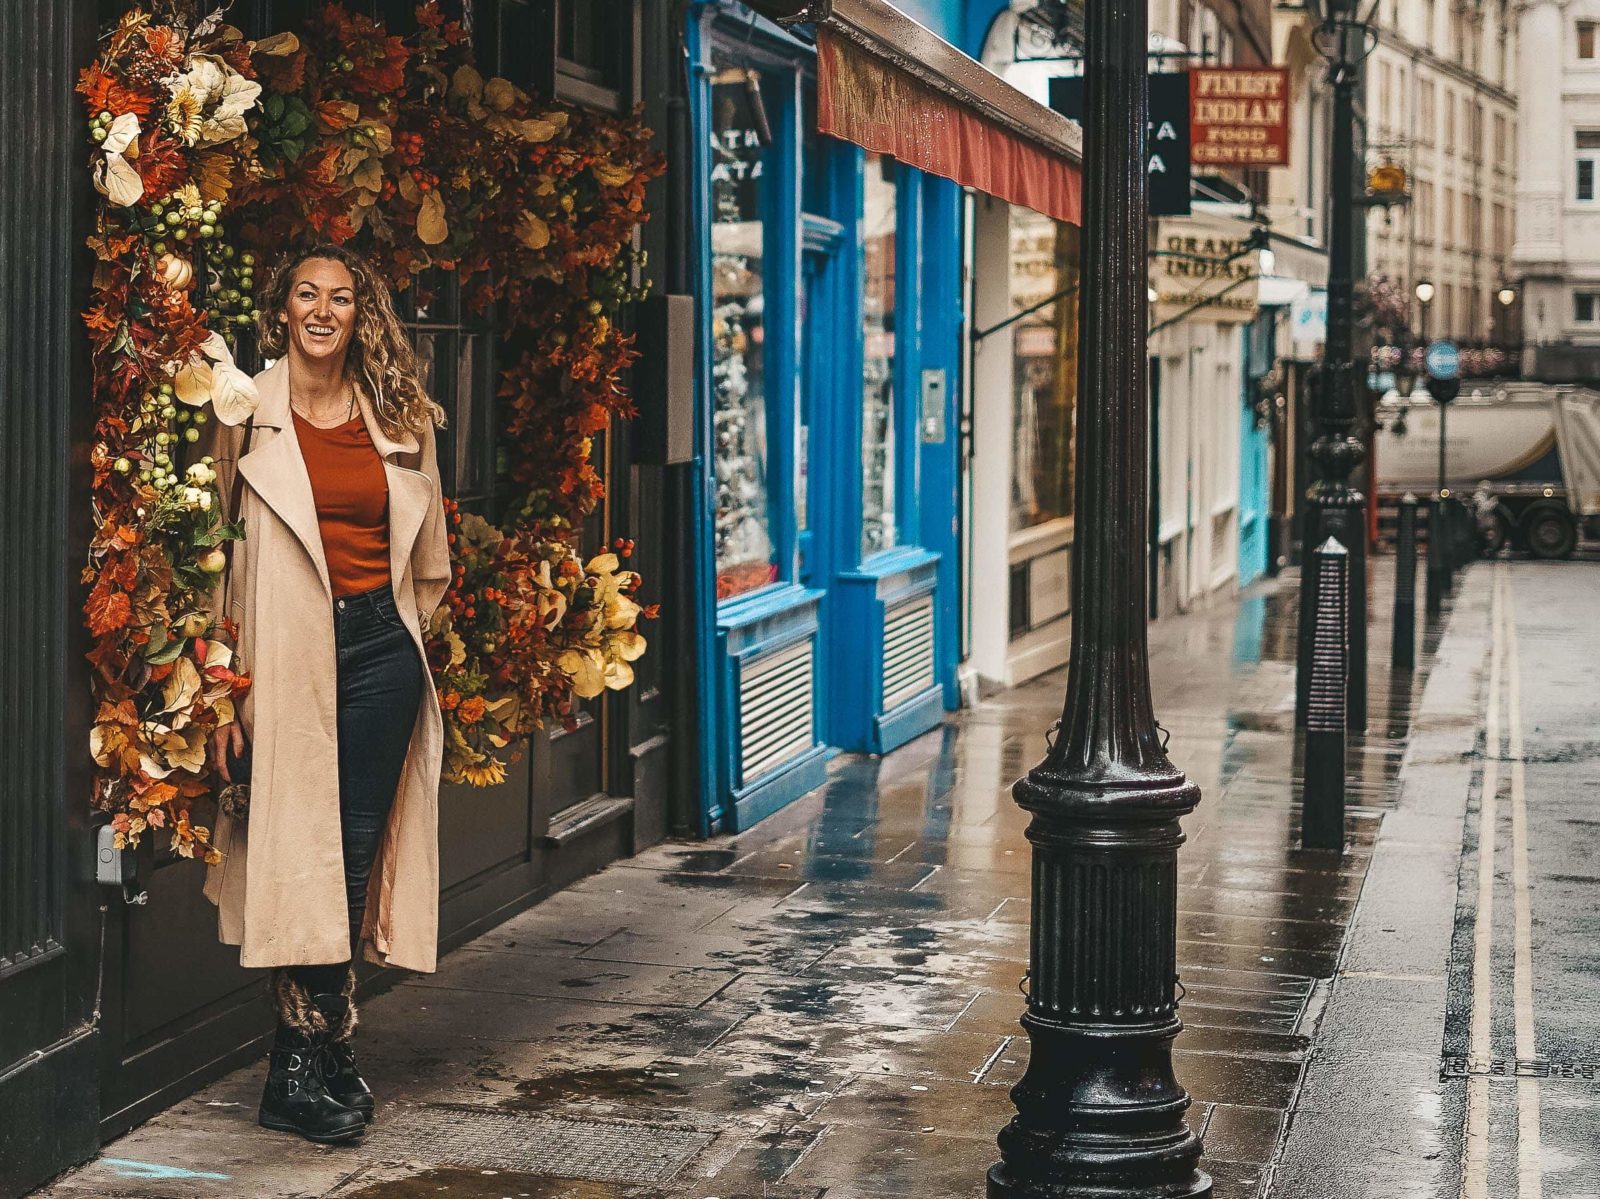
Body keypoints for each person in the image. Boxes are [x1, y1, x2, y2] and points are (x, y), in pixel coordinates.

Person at [199, 243, 452, 1144]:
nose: (322, 309)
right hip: (284, 656)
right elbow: (212, 554)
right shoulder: (243, 413)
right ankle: (308, 1061)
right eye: (306, 292)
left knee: (346, 859)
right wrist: (221, 688)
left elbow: (429, 553)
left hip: (380, 646)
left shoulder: (395, 414)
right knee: (300, 856)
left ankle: (310, 1061)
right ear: (282, 309)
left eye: (340, 297)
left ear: (358, 314)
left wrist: (406, 626)